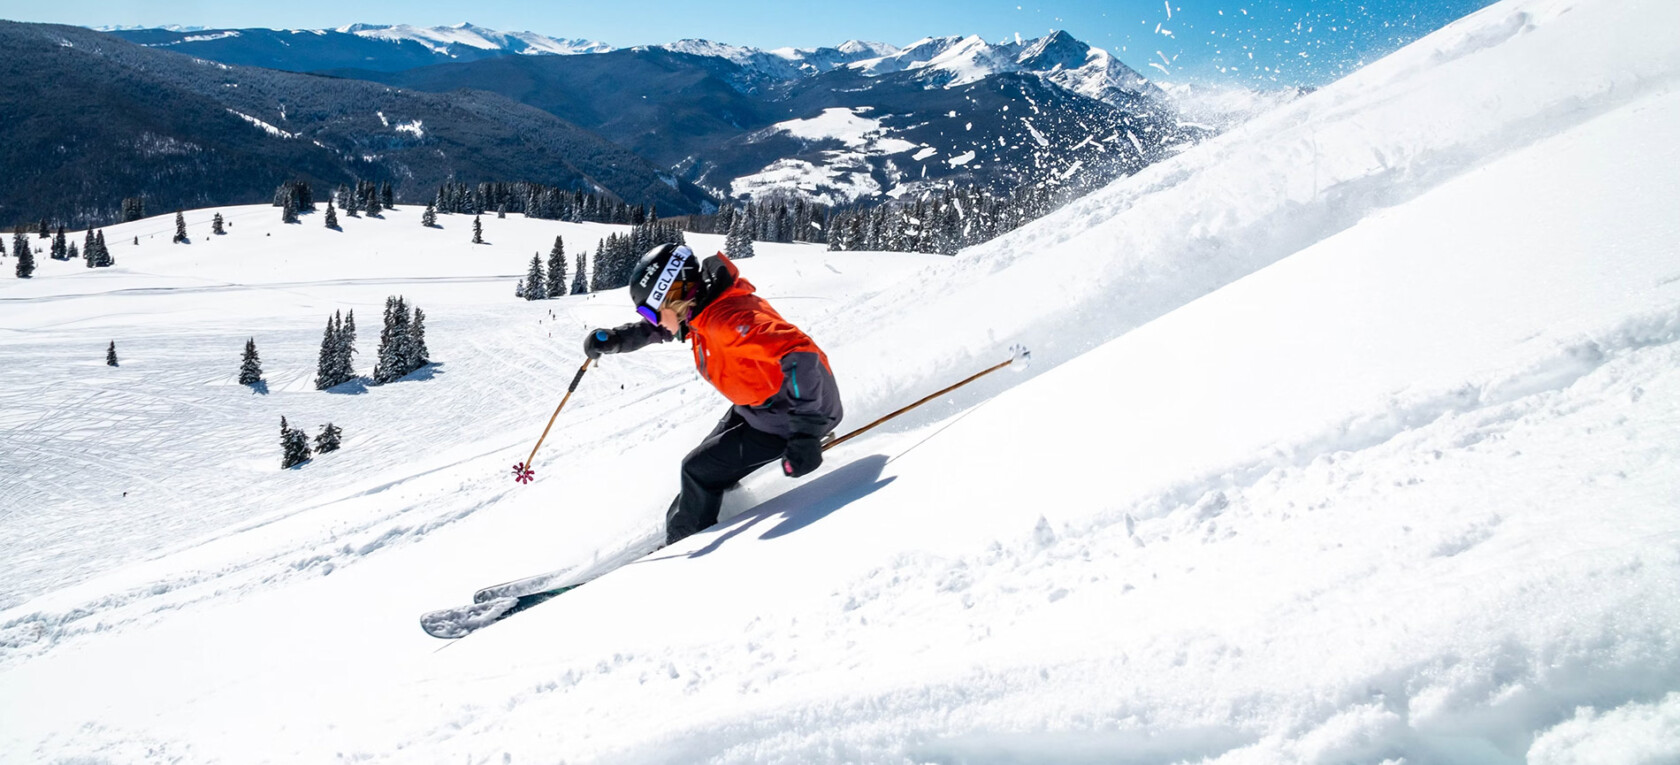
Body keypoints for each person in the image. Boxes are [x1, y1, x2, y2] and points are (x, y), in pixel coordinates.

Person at [585, 243, 844, 546]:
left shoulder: (727, 320)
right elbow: (658, 330)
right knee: (699, 471)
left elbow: (800, 354)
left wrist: (805, 433)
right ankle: (689, 528)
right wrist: (616, 339)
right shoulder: (702, 308)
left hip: (790, 418)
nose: (651, 320)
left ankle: (686, 546)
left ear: (673, 297)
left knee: (697, 471)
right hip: (759, 409)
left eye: (650, 312)